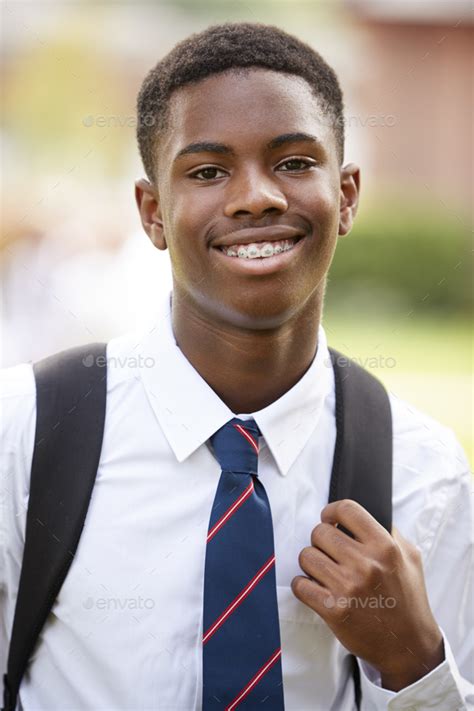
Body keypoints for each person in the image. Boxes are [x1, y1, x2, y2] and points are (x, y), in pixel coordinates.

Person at [1, 22, 472, 711]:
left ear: (346, 195)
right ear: (153, 212)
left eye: (293, 162)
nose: (256, 196)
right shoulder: (27, 432)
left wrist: (416, 664)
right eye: (208, 171)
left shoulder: (423, 475)